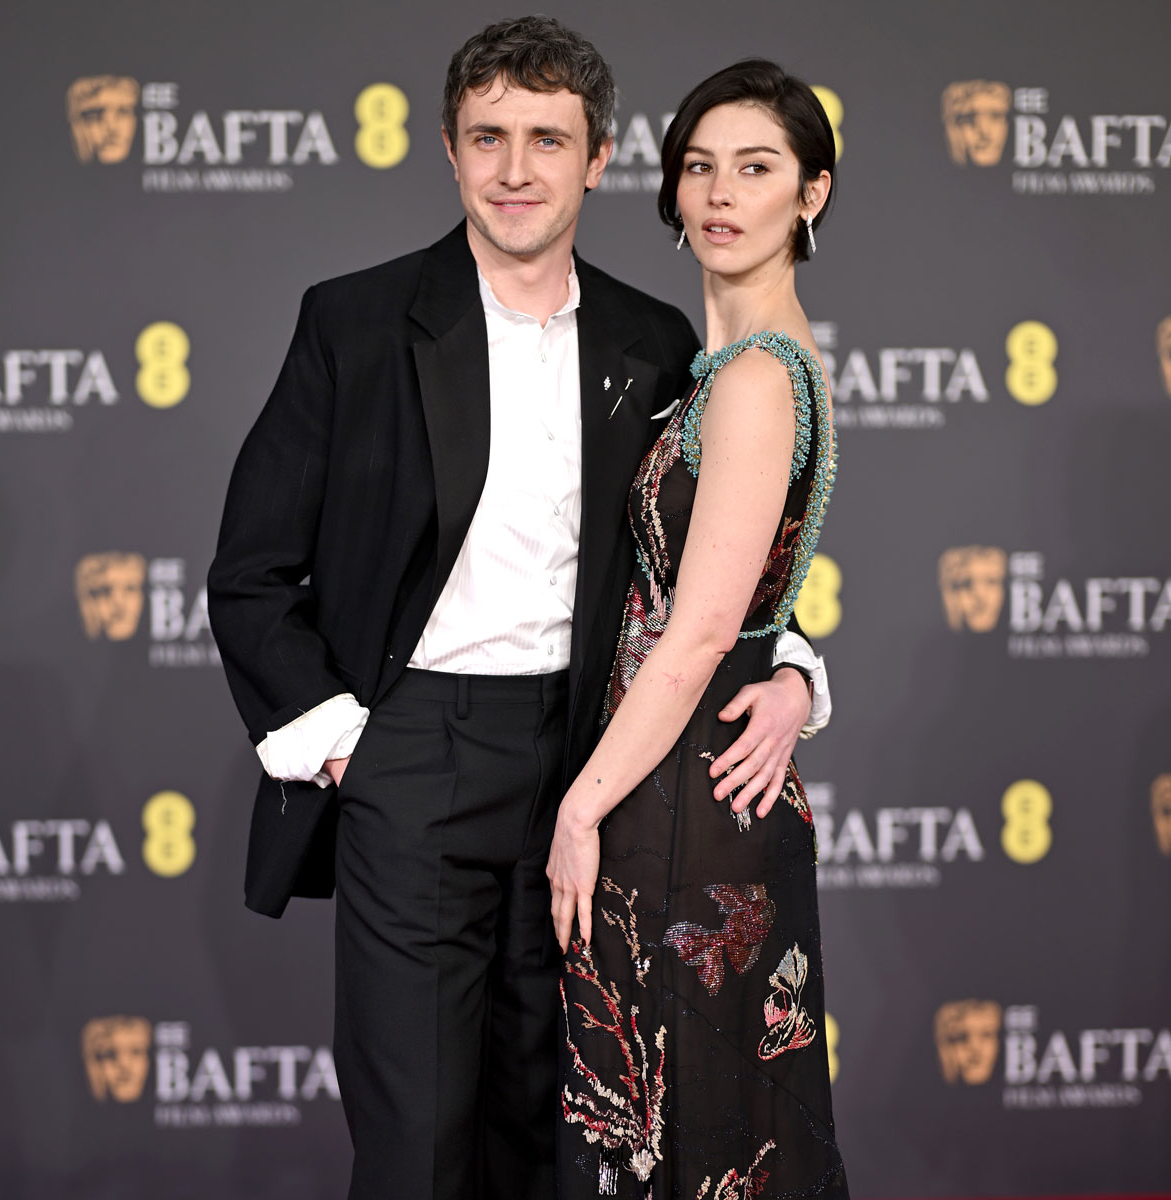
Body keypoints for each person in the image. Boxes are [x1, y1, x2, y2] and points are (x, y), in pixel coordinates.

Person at [207, 20, 830, 1200]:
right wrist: (357, 752)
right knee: (416, 1144)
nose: (516, 168)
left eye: (549, 139)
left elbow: (701, 562)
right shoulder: (353, 322)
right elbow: (249, 573)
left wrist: (795, 669)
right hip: (415, 765)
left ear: (596, 161)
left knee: (568, 1138)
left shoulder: (656, 345)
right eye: (488, 137)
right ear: (448, 149)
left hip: (597, 766)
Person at [548, 60, 848, 1197]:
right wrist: (798, 678)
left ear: (808, 195)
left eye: (756, 168)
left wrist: (580, 807)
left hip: (687, 816)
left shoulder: (762, 378)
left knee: (700, 1141)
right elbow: (752, 613)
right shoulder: (724, 366)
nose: (720, 193)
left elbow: (703, 628)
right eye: (699, 167)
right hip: (685, 790)